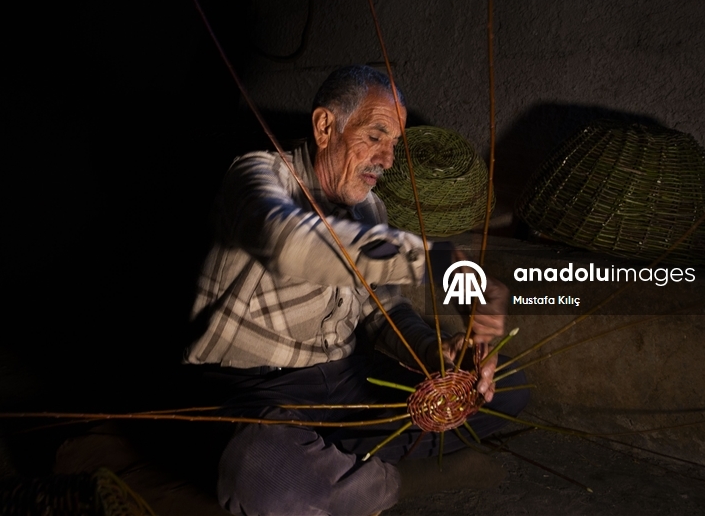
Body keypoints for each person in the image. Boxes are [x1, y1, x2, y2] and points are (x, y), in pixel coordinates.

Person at [183, 65, 528, 516]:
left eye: (393, 145)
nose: (386, 159)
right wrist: (443, 262)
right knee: (263, 477)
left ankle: (334, 465)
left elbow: (381, 310)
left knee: (506, 387)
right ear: (326, 126)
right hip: (257, 393)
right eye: (376, 135)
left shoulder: (371, 207)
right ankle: (386, 477)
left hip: (347, 384)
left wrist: (433, 354)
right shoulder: (256, 177)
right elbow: (291, 243)